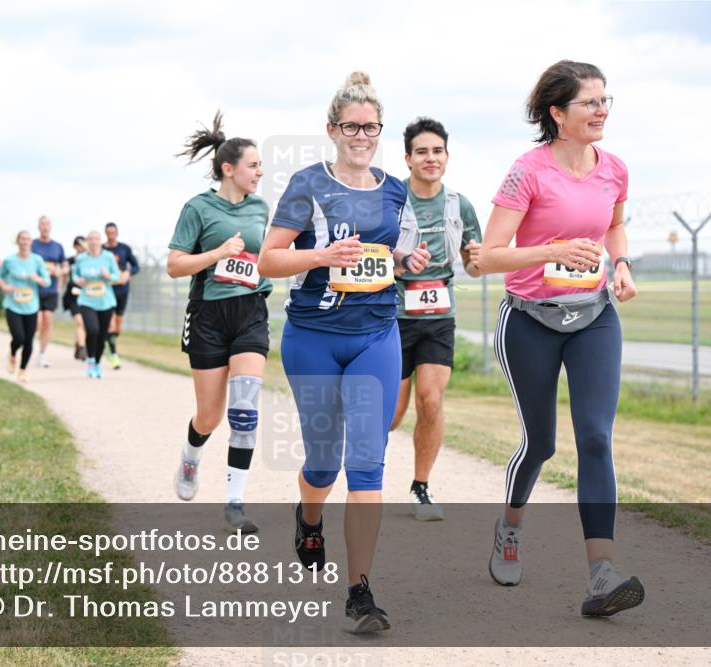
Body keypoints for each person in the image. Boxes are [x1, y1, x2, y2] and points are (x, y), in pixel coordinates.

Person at [257, 72, 430, 634]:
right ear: (331, 129)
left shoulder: (395, 189)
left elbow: (397, 252)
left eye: (371, 127)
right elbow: (269, 260)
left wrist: (409, 262)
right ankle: (309, 520)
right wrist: (321, 256)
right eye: (351, 127)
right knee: (324, 461)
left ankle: (360, 591)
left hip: (377, 334)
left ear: (380, 131)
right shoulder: (308, 184)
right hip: (311, 337)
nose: (361, 135)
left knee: (366, 463)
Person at [476, 60, 641, 617]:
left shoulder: (614, 167)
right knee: (541, 444)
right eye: (589, 103)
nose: (601, 111)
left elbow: (614, 224)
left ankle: (601, 575)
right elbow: (487, 257)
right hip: (529, 320)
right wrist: (552, 250)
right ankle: (510, 528)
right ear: (557, 113)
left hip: (594, 315)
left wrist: (620, 264)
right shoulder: (529, 171)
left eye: (604, 100)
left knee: (595, 435)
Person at [168, 111, 271, 534]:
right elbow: (175, 265)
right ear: (229, 169)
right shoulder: (198, 208)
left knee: (244, 411)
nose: (260, 172)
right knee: (209, 416)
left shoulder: (262, 208)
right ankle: (191, 458)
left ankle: (235, 501)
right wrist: (217, 255)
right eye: (253, 165)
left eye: (262, 165)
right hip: (208, 315)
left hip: (250, 312)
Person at [389, 118, 482, 521]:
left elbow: (473, 263)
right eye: (422, 151)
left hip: (439, 315)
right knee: (390, 416)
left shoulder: (459, 205)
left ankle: (420, 486)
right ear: (408, 158)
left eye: (437, 151)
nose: (431, 158)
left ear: (447, 156)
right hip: (392, 314)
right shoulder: (391, 200)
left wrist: (478, 259)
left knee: (431, 399)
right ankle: (361, 477)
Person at [0, 231, 50, 382]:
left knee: (29, 340)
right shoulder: (9, 260)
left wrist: (37, 278)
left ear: (31, 242)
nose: (25, 242)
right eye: (22, 239)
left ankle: (23, 370)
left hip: (31, 306)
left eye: (28, 239)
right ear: (18, 241)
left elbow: (47, 281)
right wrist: (4, 286)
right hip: (13, 305)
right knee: (18, 337)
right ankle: (12, 354)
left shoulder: (37, 260)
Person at [71, 230, 120, 379]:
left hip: (106, 301)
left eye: (96, 239)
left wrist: (108, 276)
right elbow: (75, 275)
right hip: (86, 300)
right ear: (87, 242)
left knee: (102, 334)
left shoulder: (108, 257)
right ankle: (90, 360)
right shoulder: (81, 259)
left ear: (100, 241)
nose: (93, 241)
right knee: (92, 330)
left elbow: (116, 276)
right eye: (90, 239)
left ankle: (97, 363)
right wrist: (78, 280)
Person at [31, 215, 68, 368]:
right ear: (38, 227)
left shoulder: (57, 247)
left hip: (51, 290)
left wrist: (60, 273)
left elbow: (65, 267)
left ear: (50, 227)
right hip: (34, 290)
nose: (45, 227)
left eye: (47, 224)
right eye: (42, 224)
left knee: (47, 322)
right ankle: (28, 346)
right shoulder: (33, 245)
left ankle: (42, 354)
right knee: (37, 323)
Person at [103, 222, 140, 369]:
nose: (111, 235)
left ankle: (110, 341)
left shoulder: (124, 249)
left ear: (116, 233)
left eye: (113, 233)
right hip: (107, 290)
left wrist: (128, 273)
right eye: (108, 233)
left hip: (122, 290)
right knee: (110, 322)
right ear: (106, 234)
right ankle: (114, 354)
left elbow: (136, 266)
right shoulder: (102, 250)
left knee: (117, 325)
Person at [62, 235, 88, 360]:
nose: (80, 248)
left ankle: (79, 344)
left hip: (88, 294)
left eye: (82, 245)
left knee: (85, 323)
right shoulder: (70, 261)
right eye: (78, 246)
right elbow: (64, 275)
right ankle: (83, 348)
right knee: (80, 322)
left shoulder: (89, 261)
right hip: (73, 296)